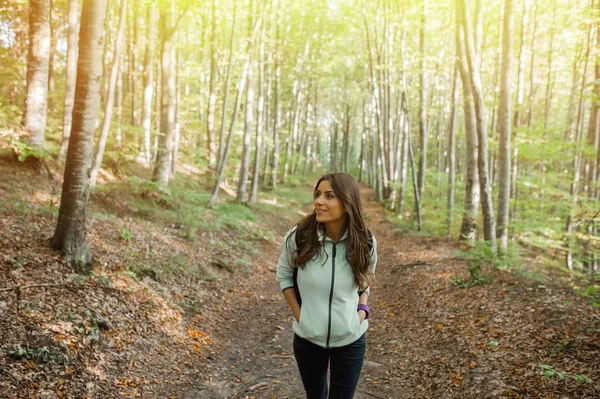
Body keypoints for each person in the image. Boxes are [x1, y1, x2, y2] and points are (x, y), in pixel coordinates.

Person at [276, 172, 378, 399]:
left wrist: (362, 312)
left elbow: (365, 281)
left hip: (350, 340)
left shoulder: (365, 240)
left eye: (329, 196)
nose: (319, 201)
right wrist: (302, 317)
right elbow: (284, 275)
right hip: (308, 340)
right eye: (318, 194)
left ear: (347, 201)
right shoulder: (300, 236)